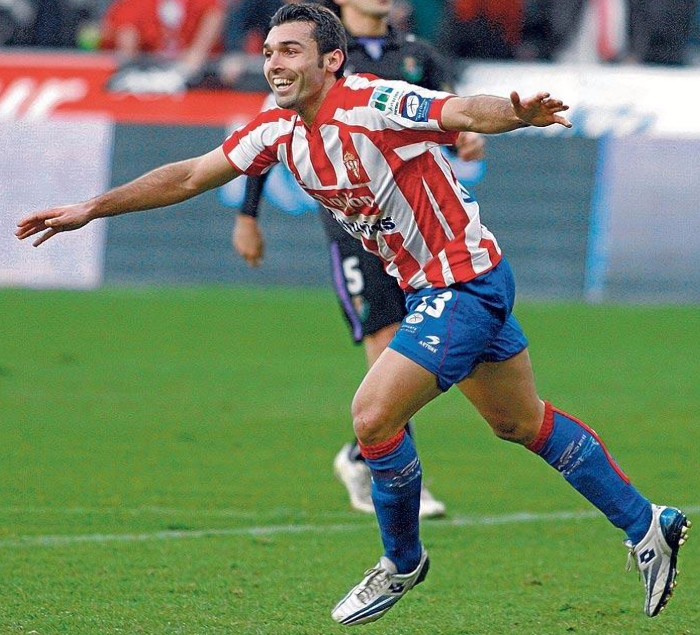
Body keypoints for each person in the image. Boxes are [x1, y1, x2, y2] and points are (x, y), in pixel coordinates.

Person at [16, 3, 690, 627]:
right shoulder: (277, 129)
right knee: (521, 421)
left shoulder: (375, 101)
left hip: (463, 281)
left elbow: (461, 110)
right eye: (270, 52)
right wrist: (91, 208)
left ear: (331, 59)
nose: (274, 63)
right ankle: (647, 523)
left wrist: (516, 113)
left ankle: (402, 563)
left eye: (291, 51)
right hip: (443, 285)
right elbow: (192, 175)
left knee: (372, 416)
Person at [232, 0, 485, 520]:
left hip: (417, 235)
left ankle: (361, 453)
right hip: (356, 230)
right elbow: (268, 134)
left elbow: (448, 114)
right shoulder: (315, 53)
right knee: (387, 343)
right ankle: (395, 476)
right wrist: (248, 215)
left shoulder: (417, 55)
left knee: (431, 357)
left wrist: (468, 137)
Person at [100, 0, 227, 84]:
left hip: (195, 71)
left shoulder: (204, 5)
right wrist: (129, 63)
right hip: (150, 71)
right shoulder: (137, 4)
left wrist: (195, 55)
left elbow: (214, 15)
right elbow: (126, 30)